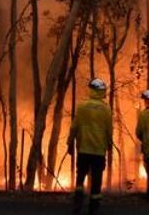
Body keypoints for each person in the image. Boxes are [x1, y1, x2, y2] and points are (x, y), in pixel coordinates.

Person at [67, 78, 113, 215]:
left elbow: (74, 127)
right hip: (99, 150)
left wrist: (70, 142)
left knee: (81, 175)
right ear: (102, 91)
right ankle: (93, 206)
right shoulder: (106, 109)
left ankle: (78, 196)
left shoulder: (82, 107)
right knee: (96, 178)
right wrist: (109, 144)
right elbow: (109, 130)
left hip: (84, 149)